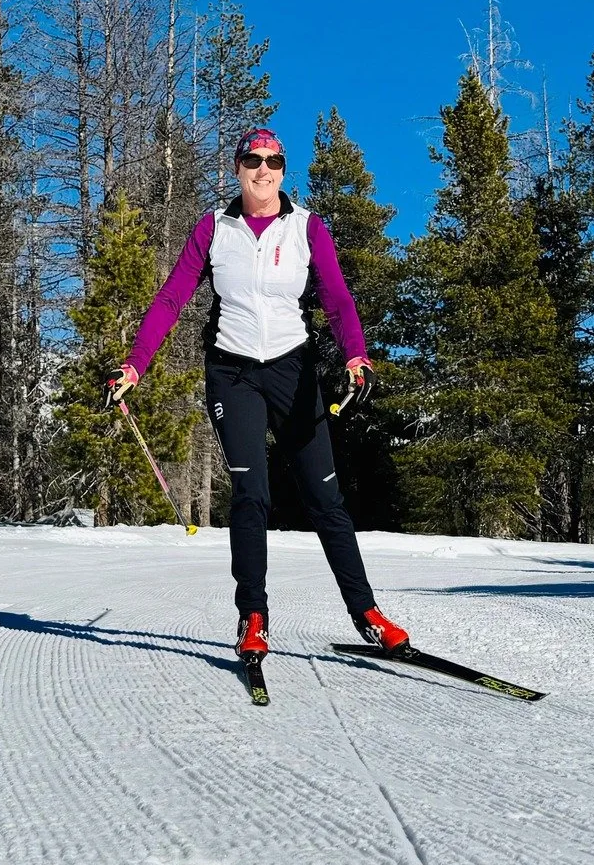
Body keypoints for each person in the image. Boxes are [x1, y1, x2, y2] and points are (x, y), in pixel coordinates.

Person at [102, 126, 410, 665]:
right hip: (233, 373)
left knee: (325, 498)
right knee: (252, 494)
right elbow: (172, 297)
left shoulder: (306, 227)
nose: (263, 170)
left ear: (283, 170)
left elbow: (336, 297)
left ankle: (367, 613)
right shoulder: (214, 228)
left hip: (294, 371)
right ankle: (253, 617)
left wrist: (356, 355)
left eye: (273, 161)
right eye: (252, 160)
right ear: (237, 169)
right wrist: (136, 363)